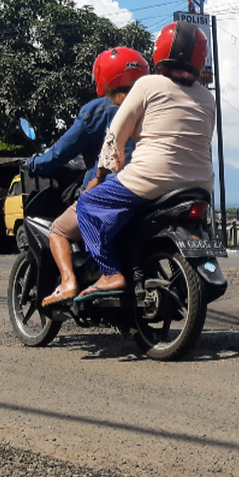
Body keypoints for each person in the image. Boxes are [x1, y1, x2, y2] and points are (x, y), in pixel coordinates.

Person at [73, 22, 215, 300]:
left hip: (150, 179)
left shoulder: (147, 84)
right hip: (200, 185)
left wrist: (100, 175)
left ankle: (110, 273)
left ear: (160, 53)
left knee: (88, 204)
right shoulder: (207, 97)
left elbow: (115, 135)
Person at [30, 47, 149, 307]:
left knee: (58, 230)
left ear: (104, 78)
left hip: (115, 187)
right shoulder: (151, 105)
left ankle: (68, 283)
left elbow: (60, 153)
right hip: (152, 185)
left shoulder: (96, 111)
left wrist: (34, 164)